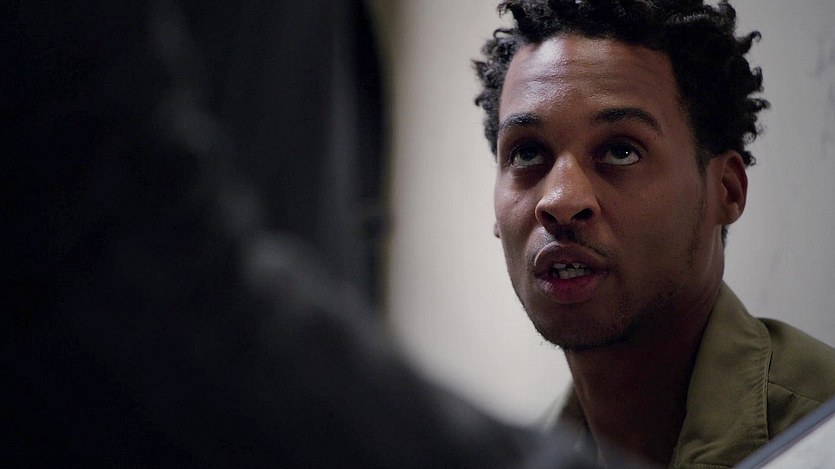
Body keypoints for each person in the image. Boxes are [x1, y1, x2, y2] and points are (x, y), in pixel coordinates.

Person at [473, 0, 835, 467]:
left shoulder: (821, 434)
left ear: (726, 190)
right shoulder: (528, 455)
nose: (559, 200)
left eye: (621, 151)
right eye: (526, 154)